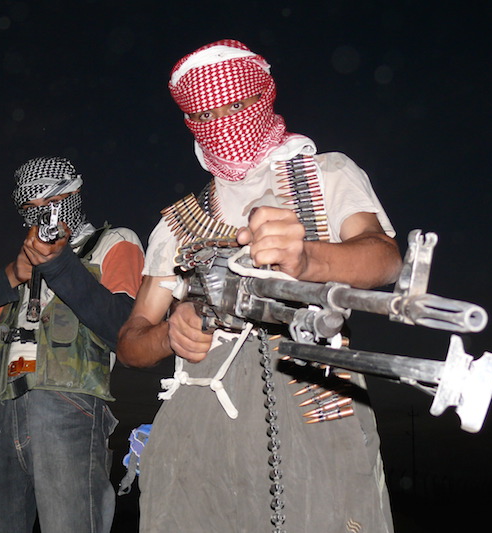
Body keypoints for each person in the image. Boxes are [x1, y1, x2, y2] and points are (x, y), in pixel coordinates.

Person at [117, 40, 402, 532]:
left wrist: (308, 257)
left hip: (313, 395)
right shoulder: (177, 226)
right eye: (208, 114)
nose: (226, 120)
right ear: (192, 124)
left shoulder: (325, 174)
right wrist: (170, 334)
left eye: (239, 103)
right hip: (197, 416)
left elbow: (384, 259)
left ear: (265, 94)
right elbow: (130, 342)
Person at [0, 156, 144, 533]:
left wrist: (60, 264)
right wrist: (12, 275)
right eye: (30, 209)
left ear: (74, 194)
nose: (41, 216)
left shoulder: (113, 242)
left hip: (67, 404)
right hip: (0, 410)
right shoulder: (21, 273)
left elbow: (124, 330)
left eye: (49, 205)